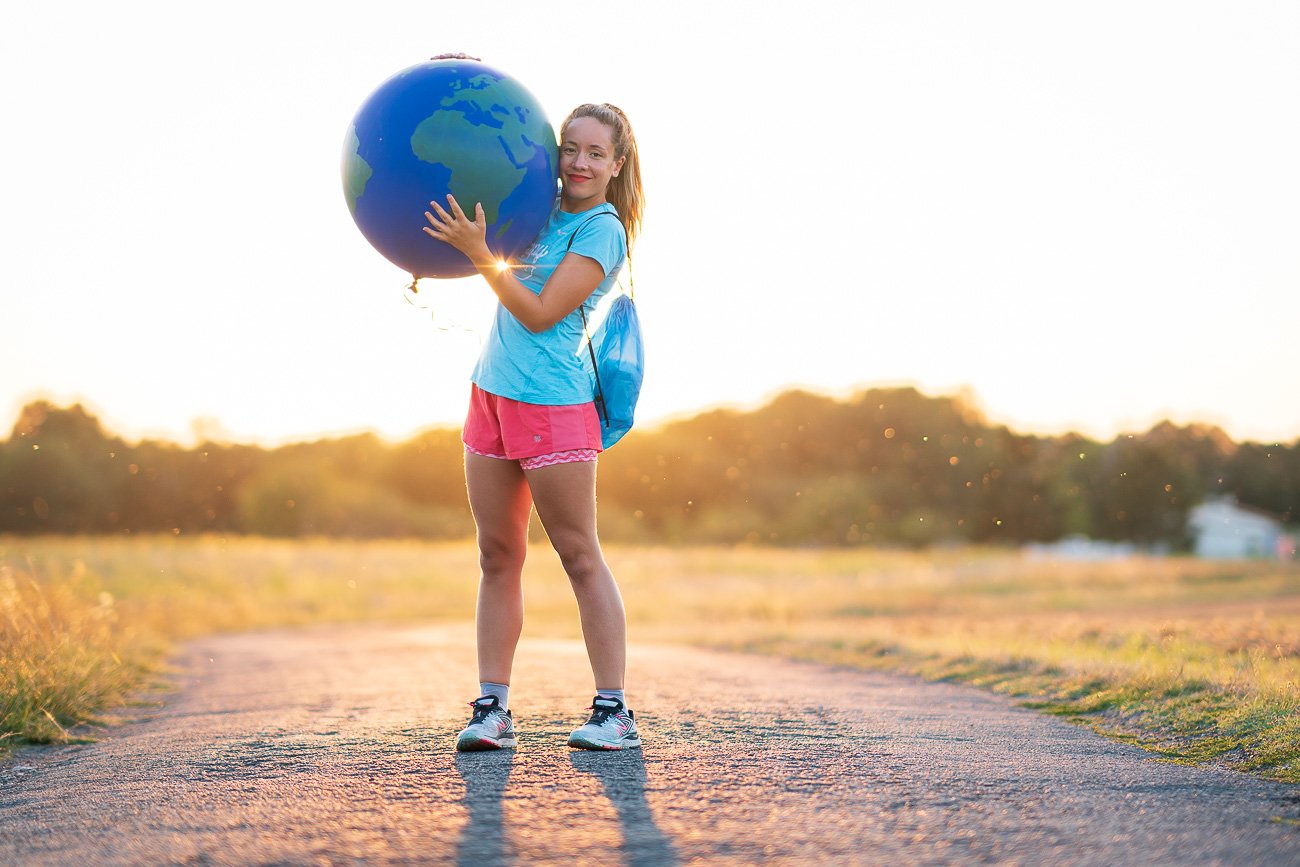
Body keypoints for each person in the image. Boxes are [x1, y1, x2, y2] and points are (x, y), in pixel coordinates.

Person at [422, 103, 644, 752]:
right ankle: (492, 708)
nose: (579, 163)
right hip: (489, 394)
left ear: (616, 164)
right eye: (570, 148)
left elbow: (543, 311)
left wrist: (481, 256)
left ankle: (614, 712)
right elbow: (475, 161)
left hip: (553, 404)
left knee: (577, 553)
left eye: (595, 153)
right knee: (497, 556)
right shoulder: (536, 202)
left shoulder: (604, 229)